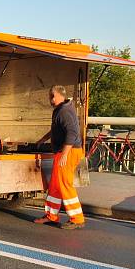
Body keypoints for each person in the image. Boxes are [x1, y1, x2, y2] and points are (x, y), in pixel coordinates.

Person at [34, 85, 85, 229]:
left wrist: (65, 153)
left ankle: (77, 219)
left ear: (60, 96)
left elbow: (73, 132)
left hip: (68, 152)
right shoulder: (60, 110)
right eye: (50, 96)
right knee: (55, 185)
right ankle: (51, 216)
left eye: (52, 96)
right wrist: (43, 140)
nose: (50, 99)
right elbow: (56, 129)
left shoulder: (64, 111)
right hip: (63, 152)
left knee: (64, 184)